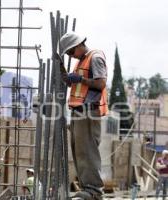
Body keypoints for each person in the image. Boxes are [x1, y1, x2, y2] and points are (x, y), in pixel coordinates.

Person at [58, 32, 108, 200]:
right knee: (79, 151)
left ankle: (93, 191)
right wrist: (67, 75)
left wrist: (80, 79)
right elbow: (76, 83)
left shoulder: (95, 57)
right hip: (78, 111)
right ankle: (87, 188)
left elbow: (101, 83)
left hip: (89, 111)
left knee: (87, 151)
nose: (71, 56)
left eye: (71, 52)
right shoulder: (80, 62)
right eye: (68, 55)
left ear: (79, 45)